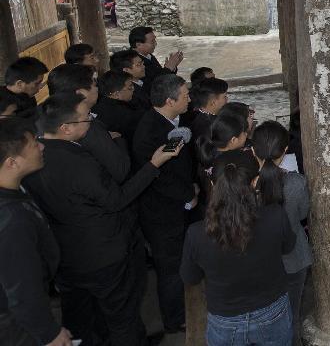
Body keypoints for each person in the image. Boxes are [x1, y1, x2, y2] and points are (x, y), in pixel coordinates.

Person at [24, 94, 181, 346]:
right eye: (86, 119)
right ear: (66, 128)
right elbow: (117, 199)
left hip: (65, 255)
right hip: (103, 253)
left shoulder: (33, 159)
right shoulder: (79, 162)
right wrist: (154, 164)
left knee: (79, 317)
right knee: (122, 316)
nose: (91, 122)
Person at [181, 150, 296, 345]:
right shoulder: (276, 216)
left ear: (212, 183)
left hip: (225, 319)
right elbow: (288, 247)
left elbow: (189, 277)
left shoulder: (196, 233)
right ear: (255, 181)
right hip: (272, 311)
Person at [131, 74, 195, 334]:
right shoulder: (151, 131)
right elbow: (160, 178)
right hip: (162, 212)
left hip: (177, 201)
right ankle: (174, 319)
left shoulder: (172, 120)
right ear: (169, 100)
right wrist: (187, 195)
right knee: (169, 268)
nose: (189, 98)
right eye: (185, 95)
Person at [0, 117, 73, 346]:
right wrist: (49, 333)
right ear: (12, 162)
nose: (42, 146)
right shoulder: (12, 219)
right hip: (18, 328)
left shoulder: (14, 191)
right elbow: (22, 291)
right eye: (33, 144)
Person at [251, 121, 312, 341]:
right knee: (292, 314)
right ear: (285, 151)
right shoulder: (295, 182)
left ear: (252, 150)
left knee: (262, 314)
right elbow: (304, 213)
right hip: (294, 258)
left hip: (256, 261)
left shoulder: (243, 184)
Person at [47, 64, 130, 184]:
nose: (97, 88)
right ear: (80, 93)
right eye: (95, 84)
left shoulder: (43, 117)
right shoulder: (87, 127)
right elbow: (121, 170)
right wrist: (118, 140)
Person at [94, 70, 143, 143]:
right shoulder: (126, 114)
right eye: (130, 87)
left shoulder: (97, 106)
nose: (133, 89)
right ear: (116, 94)